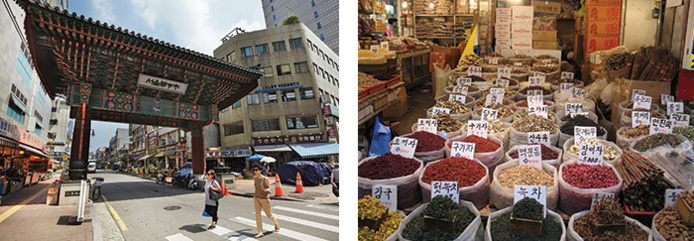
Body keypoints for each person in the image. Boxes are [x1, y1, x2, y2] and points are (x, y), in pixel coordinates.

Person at [253, 165, 279, 238]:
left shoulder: (265, 179)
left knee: (269, 215)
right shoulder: (255, 178)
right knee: (257, 214)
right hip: (256, 198)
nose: (255, 171)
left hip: (265, 198)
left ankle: (276, 223)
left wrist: (265, 190)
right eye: (254, 170)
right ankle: (260, 231)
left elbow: (269, 189)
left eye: (256, 169)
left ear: (260, 170)